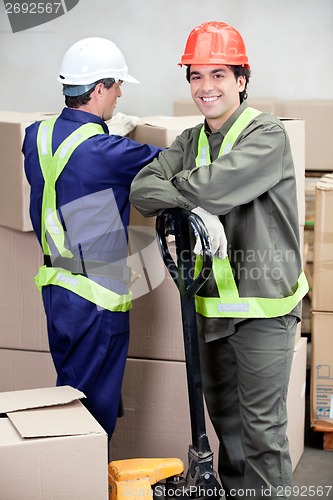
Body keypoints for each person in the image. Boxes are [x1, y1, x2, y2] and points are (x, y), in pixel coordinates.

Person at [129, 21, 308, 500]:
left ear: (242, 79)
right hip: (211, 309)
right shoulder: (189, 141)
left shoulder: (267, 135)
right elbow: (142, 189)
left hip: (263, 308)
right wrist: (186, 193)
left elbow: (215, 188)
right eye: (196, 76)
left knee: (263, 438)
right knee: (228, 435)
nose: (205, 87)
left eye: (218, 75)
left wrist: (182, 193)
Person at [23, 37, 162, 445]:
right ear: (99, 89)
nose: (120, 93)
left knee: (70, 393)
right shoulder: (106, 150)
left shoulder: (36, 136)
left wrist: (98, 130)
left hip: (57, 289)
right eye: (117, 84)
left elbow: (72, 171)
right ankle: (74, 481)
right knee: (90, 415)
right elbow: (170, 160)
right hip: (97, 297)